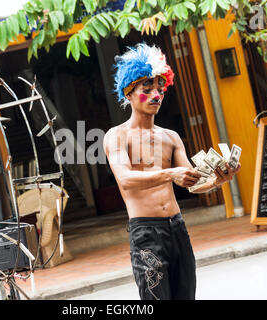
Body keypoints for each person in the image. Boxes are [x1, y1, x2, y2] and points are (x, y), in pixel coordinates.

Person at [103, 43, 241, 300]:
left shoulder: (171, 137)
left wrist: (218, 180)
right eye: (147, 89)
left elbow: (191, 181)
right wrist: (170, 174)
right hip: (146, 231)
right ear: (128, 93)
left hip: (177, 228)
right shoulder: (117, 136)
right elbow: (125, 179)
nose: (156, 95)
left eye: (160, 88)